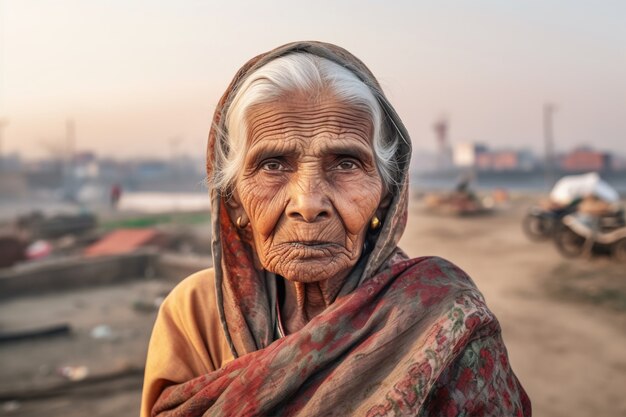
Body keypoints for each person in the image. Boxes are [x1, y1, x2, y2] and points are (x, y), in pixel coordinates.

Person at [141, 41, 531, 417]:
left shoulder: (445, 314)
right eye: (272, 165)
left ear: (386, 194)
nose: (308, 204)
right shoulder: (195, 312)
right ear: (235, 200)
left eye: (346, 164)